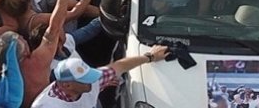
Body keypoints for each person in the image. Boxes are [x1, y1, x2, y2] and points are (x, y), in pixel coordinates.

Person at [31, 46, 169, 107]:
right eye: (85, 80)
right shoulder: (47, 106)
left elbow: (119, 66)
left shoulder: (91, 81)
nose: (92, 82)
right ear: (67, 85)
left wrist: (150, 56)